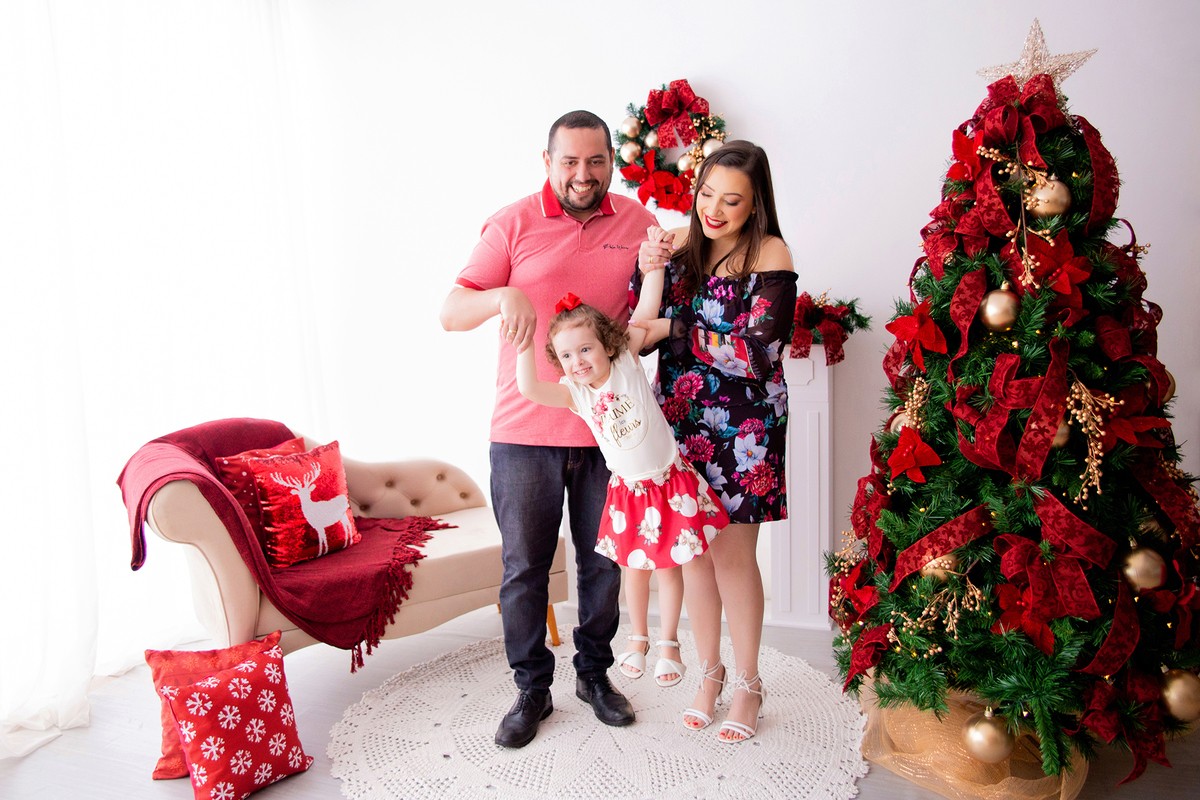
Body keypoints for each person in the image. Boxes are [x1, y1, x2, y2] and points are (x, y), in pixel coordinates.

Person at [439, 110, 659, 749]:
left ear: (612, 162)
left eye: (596, 162)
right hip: (523, 431)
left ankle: (594, 674)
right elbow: (452, 310)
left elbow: (652, 311)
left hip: (611, 435)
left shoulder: (637, 223)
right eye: (570, 162)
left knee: (605, 566)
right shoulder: (511, 223)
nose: (583, 175)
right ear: (547, 161)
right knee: (524, 570)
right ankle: (531, 687)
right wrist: (500, 297)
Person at [632, 140, 796, 742]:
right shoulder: (676, 246)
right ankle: (710, 673)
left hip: (746, 425)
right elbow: (636, 332)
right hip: (680, 418)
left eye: (732, 201)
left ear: (756, 206)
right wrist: (649, 269)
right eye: (707, 195)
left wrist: (675, 327)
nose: (715, 211)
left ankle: (749, 685)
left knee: (733, 559)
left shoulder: (770, 252)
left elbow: (756, 354)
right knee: (694, 554)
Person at [514, 264, 730, 691]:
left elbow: (647, 310)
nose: (579, 361)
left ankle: (669, 643)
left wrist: (653, 268)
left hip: (668, 483)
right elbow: (530, 390)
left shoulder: (625, 361)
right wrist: (523, 343)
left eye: (586, 349)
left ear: (606, 345)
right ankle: (639, 638)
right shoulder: (576, 394)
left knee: (671, 568)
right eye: (568, 355)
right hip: (630, 494)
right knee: (634, 570)